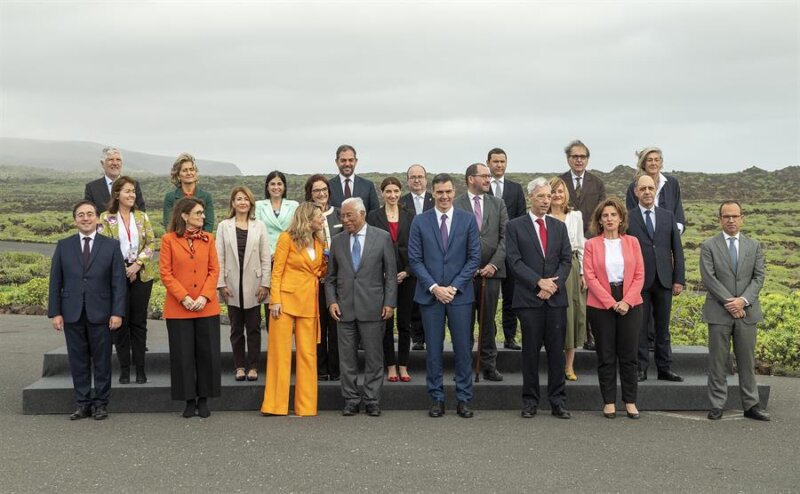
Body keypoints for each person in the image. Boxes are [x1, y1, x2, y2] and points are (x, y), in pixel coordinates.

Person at [408, 173, 481, 419]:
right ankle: (436, 398)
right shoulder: (420, 222)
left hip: (460, 296)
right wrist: (435, 288)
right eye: (439, 192)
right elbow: (415, 260)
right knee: (434, 351)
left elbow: (474, 259)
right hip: (431, 297)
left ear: (454, 191)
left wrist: (453, 287)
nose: (444, 196)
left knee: (462, 349)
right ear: (432, 193)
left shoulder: (468, 220)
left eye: (448, 191)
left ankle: (463, 399)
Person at [48, 200, 126, 420]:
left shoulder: (110, 245)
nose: (85, 218)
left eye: (89, 214)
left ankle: (101, 403)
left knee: (102, 360)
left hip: (102, 313)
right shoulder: (63, 246)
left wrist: (117, 312)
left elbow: (118, 283)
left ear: (97, 218)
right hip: (72, 313)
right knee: (78, 360)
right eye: (80, 215)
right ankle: (82, 403)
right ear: (75, 220)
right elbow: (56, 281)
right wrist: (55, 312)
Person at [506, 178, 573, 419]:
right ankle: (530, 401)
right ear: (530, 198)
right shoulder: (514, 226)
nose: (546, 200)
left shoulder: (559, 227)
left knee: (556, 352)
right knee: (530, 353)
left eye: (549, 196)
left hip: (555, 299)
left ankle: (557, 401)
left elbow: (566, 260)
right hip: (529, 299)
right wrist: (538, 282)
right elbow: (514, 261)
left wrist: (553, 285)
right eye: (541, 196)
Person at [327, 198, 397, 416]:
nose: (345, 220)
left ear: (362, 214)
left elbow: (391, 276)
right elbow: (330, 278)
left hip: (374, 308)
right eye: (342, 216)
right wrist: (332, 301)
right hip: (344, 309)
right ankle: (350, 399)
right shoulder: (337, 241)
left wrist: (389, 303)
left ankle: (372, 400)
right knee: (346, 359)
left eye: (350, 215)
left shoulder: (382, 237)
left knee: (374, 359)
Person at [701, 201, 769, 421]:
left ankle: (751, 405)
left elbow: (759, 277)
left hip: (747, 312)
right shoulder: (709, 245)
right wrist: (731, 302)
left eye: (734, 216)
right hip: (719, 312)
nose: (731, 220)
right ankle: (717, 405)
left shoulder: (754, 246)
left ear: (742, 218)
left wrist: (743, 301)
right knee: (718, 362)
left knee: (747, 362)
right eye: (726, 216)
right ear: (720, 219)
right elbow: (709, 278)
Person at [261, 203, 327, 416]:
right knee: (280, 355)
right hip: (285, 303)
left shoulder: (319, 242)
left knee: (308, 355)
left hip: (309, 303)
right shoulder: (286, 238)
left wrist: (327, 255)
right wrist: (275, 300)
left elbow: (321, 271)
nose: (323, 220)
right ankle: (274, 405)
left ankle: (306, 407)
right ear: (308, 218)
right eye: (319, 217)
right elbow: (277, 271)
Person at [583, 198, 645, 419]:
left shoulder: (633, 242)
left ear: (621, 218)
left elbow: (639, 275)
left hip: (630, 302)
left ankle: (630, 401)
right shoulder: (591, 244)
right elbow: (589, 276)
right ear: (599, 220)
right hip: (601, 303)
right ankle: (609, 401)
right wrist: (610, 302)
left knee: (629, 355)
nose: (609, 219)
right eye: (605, 215)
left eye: (613, 215)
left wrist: (626, 301)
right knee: (606, 355)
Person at [160, 197, 222, 418]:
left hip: (206, 306)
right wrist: (183, 297)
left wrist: (204, 297)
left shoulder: (209, 238)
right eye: (198, 213)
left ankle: (204, 399)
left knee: (207, 353)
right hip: (179, 307)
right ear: (184, 216)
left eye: (203, 213)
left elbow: (214, 270)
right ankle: (188, 399)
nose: (203, 217)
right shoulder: (168, 240)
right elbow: (166, 273)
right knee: (182, 354)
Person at [98, 176, 156, 385]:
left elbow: (151, 242)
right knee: (120, 323)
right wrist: (121, 269)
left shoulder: (142, 217)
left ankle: (140, 369)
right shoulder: (105, 218)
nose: (131, 195)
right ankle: (124, 369)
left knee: (138, 323)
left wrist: (137, 264)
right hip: (116, 276)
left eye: (133, 191)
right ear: (117, 194)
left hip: (141, 275)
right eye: (127, 191)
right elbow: (103, 246)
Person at [627, 175, 685, 382]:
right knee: (640, 328)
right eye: (642, 189)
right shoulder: (628, 217)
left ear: (655, 191)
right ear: (636, 192)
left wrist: (679, 279)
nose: (647, 192)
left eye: (650, 188)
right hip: (638, 282)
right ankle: (640, 368)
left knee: (663, 327)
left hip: (664, 280)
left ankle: (664, 368)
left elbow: (677, 250)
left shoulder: (668, 216)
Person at [454, 163, 508, 382]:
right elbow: (453, 240)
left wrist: (493, 264)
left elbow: (506, 237)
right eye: (484, 176)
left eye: (488, 176)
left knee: (487, 322)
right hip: (465, 276)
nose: (488, 179)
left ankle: (488, 364)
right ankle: (464, 365)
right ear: (470, 179)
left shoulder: (498, 203)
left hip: (491, 274)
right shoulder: (457, 205)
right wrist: (467, 268)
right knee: (464, 322)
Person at [216, 186, 271, 382]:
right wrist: (221, 283)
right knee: (236, 328)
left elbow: (266, 257)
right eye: (239, 199)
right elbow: (219, 257)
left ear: (251, 203)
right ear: (233, 203)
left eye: (246, 199)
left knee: (254, 328)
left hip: (255, 284)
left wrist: (265, 284)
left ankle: (254, 366)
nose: (242, 202)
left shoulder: (260, 226)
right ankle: (239, 366)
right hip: (231, 284)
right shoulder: (224, 226)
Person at [367, 177, 416, 382]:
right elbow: (370, 247)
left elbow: (417, 247)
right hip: (383, 277)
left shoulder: (410, 216)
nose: (393, 195)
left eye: (396, 191)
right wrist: (384, 273)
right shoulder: (373, 216)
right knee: (386, 323)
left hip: (406, 276)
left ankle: (403, 365)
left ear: (400, 192)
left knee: (405, 323)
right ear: (382, 193)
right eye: (388, 191)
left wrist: (407, 271)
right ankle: (390, 366)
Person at [560, 139, 607, 351]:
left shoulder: (597, 183)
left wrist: (589, 236)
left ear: (587, 159)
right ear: (568, 159)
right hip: (567, 246)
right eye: (575, 156)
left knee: (592, 288)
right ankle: (572, 335)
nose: (579, 160)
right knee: (573, 291)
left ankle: (591, 335)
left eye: (583, 157)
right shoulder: (559, 183)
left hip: (592, 241)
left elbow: (602, 212)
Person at [485, 148, 527, 350]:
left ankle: (510, 337)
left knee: (510, 297)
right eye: (495, 161)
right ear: (488, 163)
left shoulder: (515, 188)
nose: (499, 165)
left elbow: (520, 217)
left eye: (502, 161)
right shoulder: (483, 188)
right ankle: (489, 336)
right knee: (489, 300)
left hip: (511, 250)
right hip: (489, 252)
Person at [547, 176, 586, 381]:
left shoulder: (575, 216)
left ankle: (569, 366)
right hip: (547, 268)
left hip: (570, 268)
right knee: (551, 315)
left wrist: (582, 273)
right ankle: (553, 363)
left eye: (560, 191)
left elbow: (580, 246)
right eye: (553, 191)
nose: (556, 195)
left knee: (571, 315)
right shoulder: (540, 217)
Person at [305, 174, 343, 381]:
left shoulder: (338, 214)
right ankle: (320, 368)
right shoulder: (306, 216)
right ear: (310, 194)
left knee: (336, 324)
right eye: (316, 190)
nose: (321, 194)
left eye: (324, 189)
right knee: (317, 325)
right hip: (314, 280)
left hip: (337, 279)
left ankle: (336, 369)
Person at [400, 164, 433, 351]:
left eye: (420, 176)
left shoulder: (434, 199)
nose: (417, 180)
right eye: (413, 177)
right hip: (411, 258)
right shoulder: (401, 202)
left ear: (426, 179)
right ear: (407, 180)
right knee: (413, 301)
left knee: (431, 299)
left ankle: (432, 336)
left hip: (433, 256)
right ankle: (417, 337)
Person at [625, 147, 686, 234]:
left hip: (669, 236)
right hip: (644, 238)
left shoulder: (672, 183)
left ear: (660, 163)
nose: (653, 163)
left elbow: (678, 209)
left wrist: (676, 231)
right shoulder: (634, 187)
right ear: (643, 164)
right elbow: (632, 216)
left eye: (656, 160)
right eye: (649, 160)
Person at [162, 153, 215, 232]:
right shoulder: (170, 197)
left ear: (195, 172)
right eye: (185, 170)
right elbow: (168, 224)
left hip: (201, 241)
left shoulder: (206, 196)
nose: (189, 173)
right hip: (178, 241)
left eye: (191, 169)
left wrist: (198, 240)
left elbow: (209, 225)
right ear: (178, 175)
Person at [84, 147, 146, 213]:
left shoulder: (134, 185)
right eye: (111, 160)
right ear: (102, 163)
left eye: (118, 160)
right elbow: (89, 213)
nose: (115, 163)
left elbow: (141, 211)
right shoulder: (92, 188)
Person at [255, 170, 299, 256]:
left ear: (284, 187)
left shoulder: (294, 205)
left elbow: (297, 231)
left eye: (279, 184)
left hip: (288, 254)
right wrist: (270, 253)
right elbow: (257, 232)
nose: (276, 187)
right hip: (265, 255)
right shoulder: (258, 205)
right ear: (267, 187)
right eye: (272, 184)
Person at [328, 144, 380, 212]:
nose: (347, 164)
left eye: (350, 160)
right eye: (343, 160)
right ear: (337, 162)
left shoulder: (368, 186)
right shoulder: (328, 186)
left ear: (356, 161)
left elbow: (375, 214)